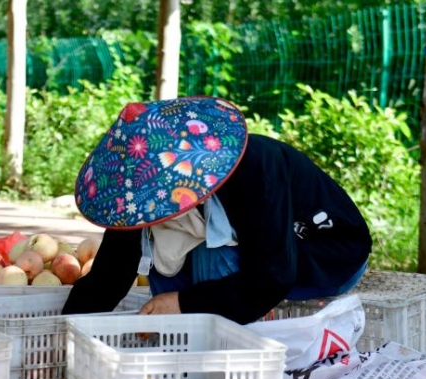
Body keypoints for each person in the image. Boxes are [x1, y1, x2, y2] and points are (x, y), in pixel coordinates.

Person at [61, 96, 373, 325]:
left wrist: (184, 303)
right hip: (268, 261)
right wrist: (66, 333)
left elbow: (272, 275)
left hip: (325, 254)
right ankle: (181, 346)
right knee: (165, 247)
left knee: (212, 253)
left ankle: (218, 354)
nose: (149, 207)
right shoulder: (138, 191)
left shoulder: (257, 169)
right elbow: (110, 273)